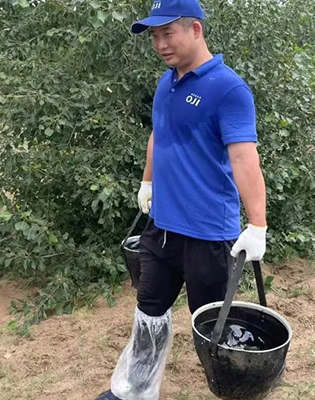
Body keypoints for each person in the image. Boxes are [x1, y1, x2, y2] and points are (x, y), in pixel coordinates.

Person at [96, 0, 268, 398]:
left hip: (208, 233)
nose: (159, 44)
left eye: (167, 33)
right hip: (163, 228)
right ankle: (133, 391)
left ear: (195, 30)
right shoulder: (167, 82)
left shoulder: (228, 89)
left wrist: (257, 224)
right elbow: (159, 134)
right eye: (154, 36)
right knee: (148, 313)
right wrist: (148, 182)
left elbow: (244, 158)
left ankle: (231, 391)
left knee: (213, 329)